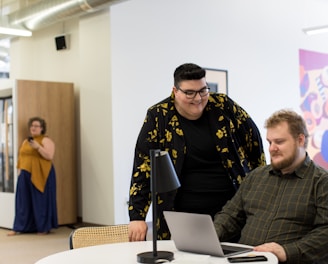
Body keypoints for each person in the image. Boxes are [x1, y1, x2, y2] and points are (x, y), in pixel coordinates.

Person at [128, 63, 266, 241]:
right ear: (175, 91)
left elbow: (254, 145)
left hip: (231, 210)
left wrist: (261, 192)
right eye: (189, 93)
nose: (198, 98)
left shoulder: (224, 107)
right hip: (182, 213)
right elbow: (144, 166)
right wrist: (137, 216)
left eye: (203, 90)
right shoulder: (158, 117)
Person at [213, 109, 328, 263]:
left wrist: (287, 252)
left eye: (279, 142)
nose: (272, 148)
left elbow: (325, 232)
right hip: (241, 260)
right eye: (269, 142)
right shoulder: (256, 176)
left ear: (300, 140)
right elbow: (231, 215)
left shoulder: (321, 182)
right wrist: (210, 234)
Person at [8, 117, 58, 235]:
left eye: (36, 126)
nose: (33, 128)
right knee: (23, 202)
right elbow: (22, 156)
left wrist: (38, 147)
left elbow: (49, 156)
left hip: (41, 174)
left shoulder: (46, 140)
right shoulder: (26, 141)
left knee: (40, 201)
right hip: (25, 174)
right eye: (32, 126)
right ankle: (19, 227)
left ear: (42, 128)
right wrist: (19, 171)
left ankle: (43, 227)